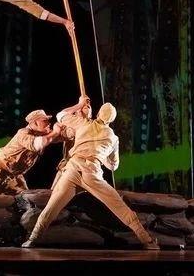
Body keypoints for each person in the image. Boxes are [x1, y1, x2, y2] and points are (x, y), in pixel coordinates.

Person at [21, 98, 160, 250]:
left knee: (51, 208)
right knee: (120, 207)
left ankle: (33, 239)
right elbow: (113, 166)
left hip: (73, 171)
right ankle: (147, 240)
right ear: (111, 120)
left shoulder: (83, 124)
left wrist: (79, 104)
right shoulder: (113, 138)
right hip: (91, 173)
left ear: (98, 114)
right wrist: (100, 154)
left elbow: (61, 115)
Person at [0, 109, 63, 194]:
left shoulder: (41, 135)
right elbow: (37, 144)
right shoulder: (23, 133)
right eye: (45, 121)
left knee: (26, 199)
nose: (49, 123)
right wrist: (55, 132)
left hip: (14, 176)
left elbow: (58, 137)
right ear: (35, 123)